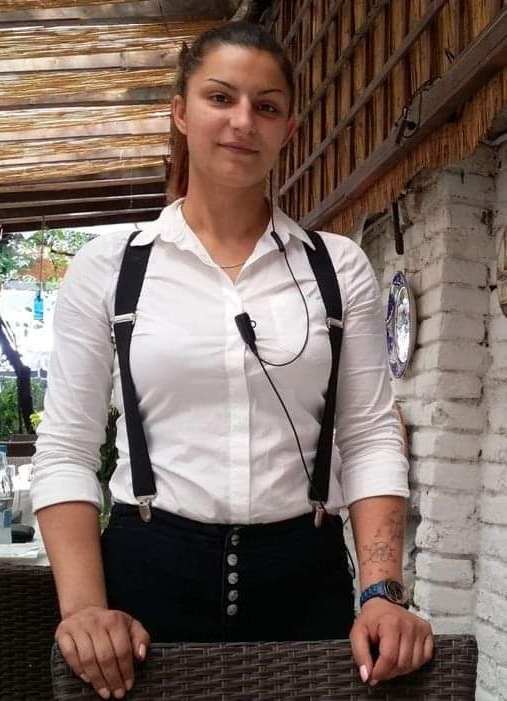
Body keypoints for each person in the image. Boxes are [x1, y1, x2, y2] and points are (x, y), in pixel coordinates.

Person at [31, 20, 434, 701]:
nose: (243, 121)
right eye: (220, 97)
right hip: (145, 583)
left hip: (304, 579)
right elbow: (67, 446)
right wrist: (84, 608)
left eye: (266, 106)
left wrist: (382, 592)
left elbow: (369, 437)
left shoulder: (337, 269)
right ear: (180, 112)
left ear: (288, 128)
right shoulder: (111, 268)